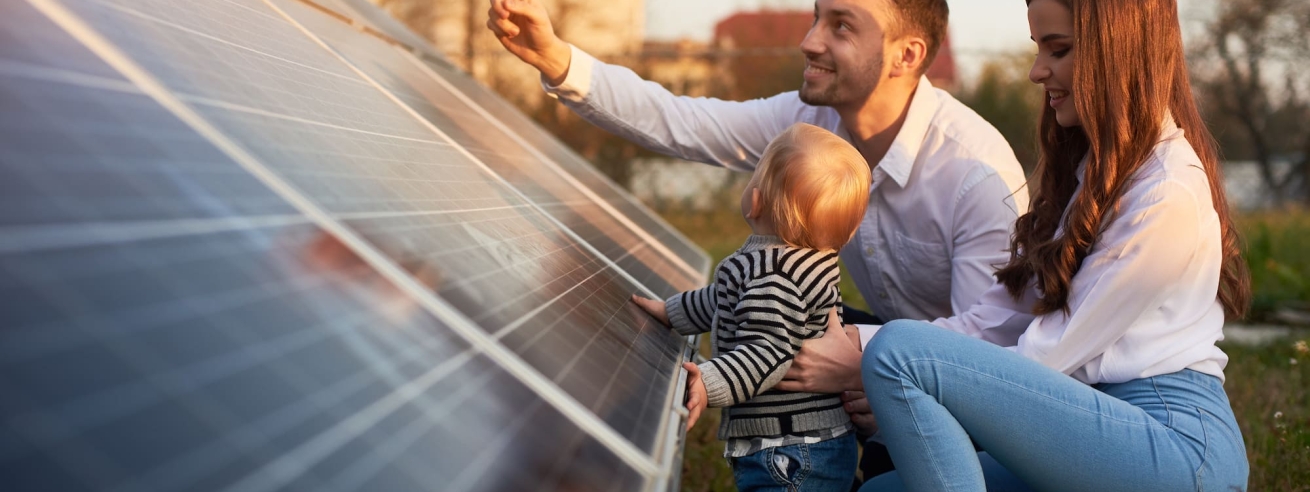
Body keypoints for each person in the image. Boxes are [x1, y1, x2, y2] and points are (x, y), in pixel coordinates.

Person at [487, 0, 1028, 481]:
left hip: (968, 399)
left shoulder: (975, 174)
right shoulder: (810, 125)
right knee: (777, 323)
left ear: (906, 56)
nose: (809, 40)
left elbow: (993, 343)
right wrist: (558, 60)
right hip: (869, 355)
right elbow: (686, 121)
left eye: (841, 25)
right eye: (817, 16)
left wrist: (869, 363)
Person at [788, 0, 1253, 490]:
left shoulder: (1166, 193)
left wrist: (872, 365)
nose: (1037, 71)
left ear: (1118, 52)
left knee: (900, 352)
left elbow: (1048, 356)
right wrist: (849, 344)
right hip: (1088, 427)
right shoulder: (1094, 179)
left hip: (1171, 448)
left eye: (1059, 49)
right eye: (1039, 49)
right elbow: (994, 321)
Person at [632, 123, 870, 491]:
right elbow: (722, 299)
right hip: (811, 443)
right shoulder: (803, 262)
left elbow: (767, 352)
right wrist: (672, 312)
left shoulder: (774, 275)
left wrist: (710, 382)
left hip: (790, 451)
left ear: (754, 199)